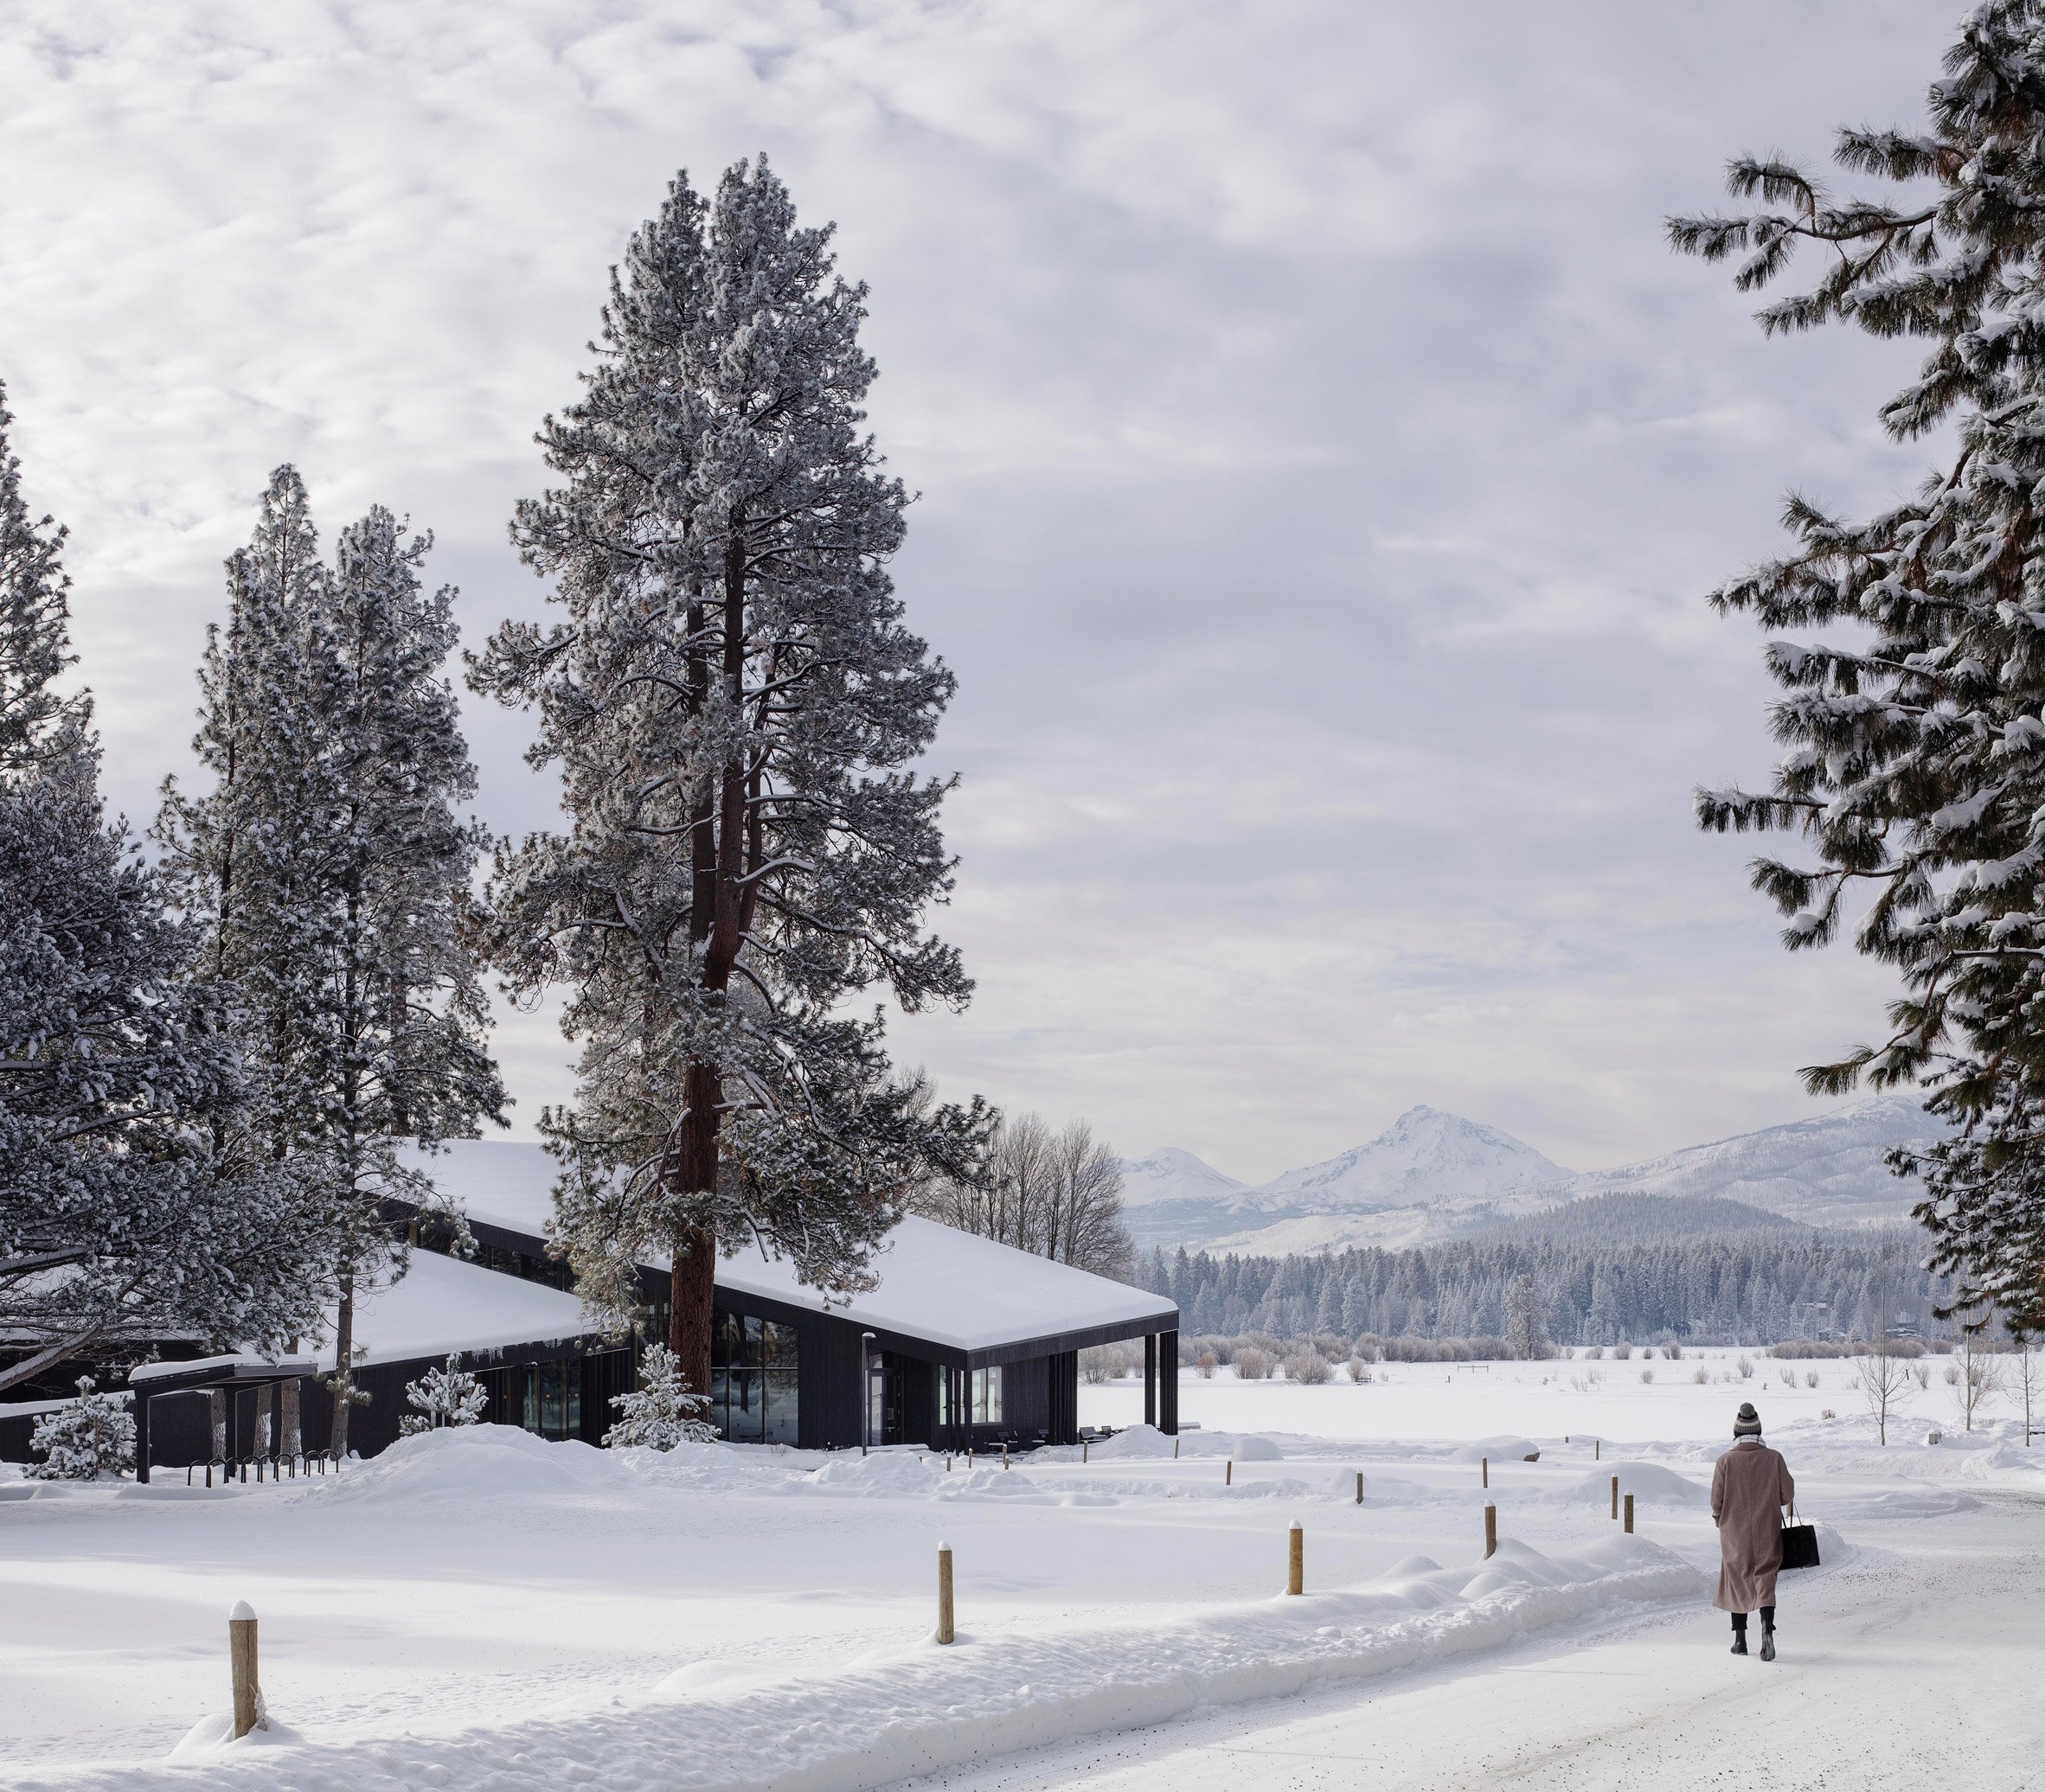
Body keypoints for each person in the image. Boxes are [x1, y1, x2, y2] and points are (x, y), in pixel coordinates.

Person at [1711, 1400, 1795, 1660]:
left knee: (1737, 1580)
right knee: (1765, 1579)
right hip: (1766, 1530)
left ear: (1736, 1432)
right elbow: (1787, 1494)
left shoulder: (1724, 1461)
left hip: (1734, 1533)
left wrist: (1720, 1520)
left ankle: (1740, 1641)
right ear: (1758, 1431)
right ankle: (1767, 1631)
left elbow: (1716, 1502)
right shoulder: (1774, 1458)